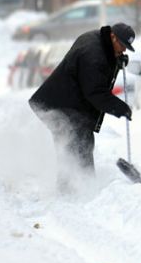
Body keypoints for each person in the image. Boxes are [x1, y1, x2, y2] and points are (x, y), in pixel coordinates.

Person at [29, 22, 135, 193]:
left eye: (126, 48)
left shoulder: (98, 40)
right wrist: (120, 107)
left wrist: (116, 60)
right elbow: (95, 92)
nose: (123, 50)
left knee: (75, 147)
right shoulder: (93, 54)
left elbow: (101, 68)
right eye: (122, 45)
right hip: (61, 106)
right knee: (79, 146)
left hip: (67, 103)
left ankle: (72, 190)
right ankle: (82, 192)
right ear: (113, 36)